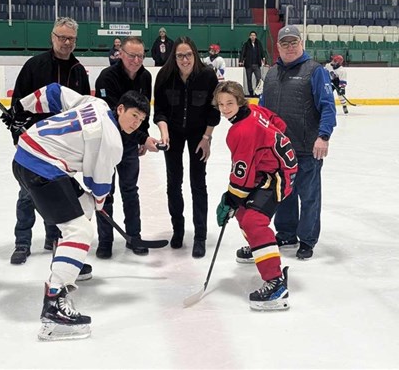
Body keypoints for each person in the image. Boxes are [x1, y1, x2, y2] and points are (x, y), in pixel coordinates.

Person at [4, 82, 150, 340]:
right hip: (42, 167)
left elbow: (54, 92)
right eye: (133, 115)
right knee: (81, 230)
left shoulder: (96, 104)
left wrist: (20, 108)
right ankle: (54, 306)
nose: (136, 123)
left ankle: (67, 262)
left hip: (28, 155)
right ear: (120, 109)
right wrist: (100, 201)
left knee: (82, 207)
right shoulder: (113, 140)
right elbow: (100, 185)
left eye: (141, 119)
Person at [6, 17, 91, 265]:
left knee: (59, 193)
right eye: (62, 37)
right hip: (36, 146)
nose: (66, 43)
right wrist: (17, 135)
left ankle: (53, 237)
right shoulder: (34, 66)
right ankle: (22, 242)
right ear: (52, 36)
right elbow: (18, 105)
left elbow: (84, 110)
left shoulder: (78, 71)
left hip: (64, 147)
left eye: (71, 39)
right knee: (27, 194)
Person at [214, 81, 297, 310]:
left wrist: (230, 199)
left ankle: (276, 283)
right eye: (221, 104)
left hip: (277, 176)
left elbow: (242, 179)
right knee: (243, 212)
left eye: (230, 103)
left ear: (239, 101)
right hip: (271, 168)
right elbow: (279, 123)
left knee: (253, 219)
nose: (225, 108)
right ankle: (260, 249)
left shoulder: (240, 131)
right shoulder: (254, 109)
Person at [260, 25, 336, 260]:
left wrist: (323, 136)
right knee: (284, 193)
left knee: (309, 196)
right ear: (278, 48)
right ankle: (286, 233)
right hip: (279, 150)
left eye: (294, 43)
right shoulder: (271, 74)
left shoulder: (315, 71)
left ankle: (307, 239)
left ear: (301, 44)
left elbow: (327, 106)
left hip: (306, 148)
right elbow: (262, 111)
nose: (290, 47)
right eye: (285, 43)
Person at [153, 37, 221, 258]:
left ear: (195, 54)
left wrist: (207, 138)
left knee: (198, 183)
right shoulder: (165, 75)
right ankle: (178, 230)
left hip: (198, 134)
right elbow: (160, 111)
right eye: (180, 55)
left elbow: (214, 111)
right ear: (174, 57)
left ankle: (199, 235)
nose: (184, 60)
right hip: (172, 134)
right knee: (174, 182)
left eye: (188, 55)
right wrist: (164, 132)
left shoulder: (207, 76)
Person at [94, 36, 160, 258]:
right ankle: (105, 241)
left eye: (140, 56)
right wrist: (141, 137)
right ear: (120, 54)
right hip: (106, 145)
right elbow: (111, 115)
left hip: (130, 147)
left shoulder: (145, 76)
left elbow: (144, 113)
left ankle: (134, 236)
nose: (136, 60)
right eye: (131, 55)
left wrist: (142, 137)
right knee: (106, 193)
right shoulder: (107, 77)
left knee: (130, 192)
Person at [240, 31, 267, 97]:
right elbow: (243, 53)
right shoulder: (246, 44)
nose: (253, 36)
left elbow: (262, 52)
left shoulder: (259, 44)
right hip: (248, 65)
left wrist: (264, 60)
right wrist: (241, 60)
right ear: (249, 36)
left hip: (256, 64)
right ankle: (251, 92)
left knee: (259, 78)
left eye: (254, 35)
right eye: (251, 35)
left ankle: (257, 92)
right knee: (249, 79)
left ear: (256, 36)